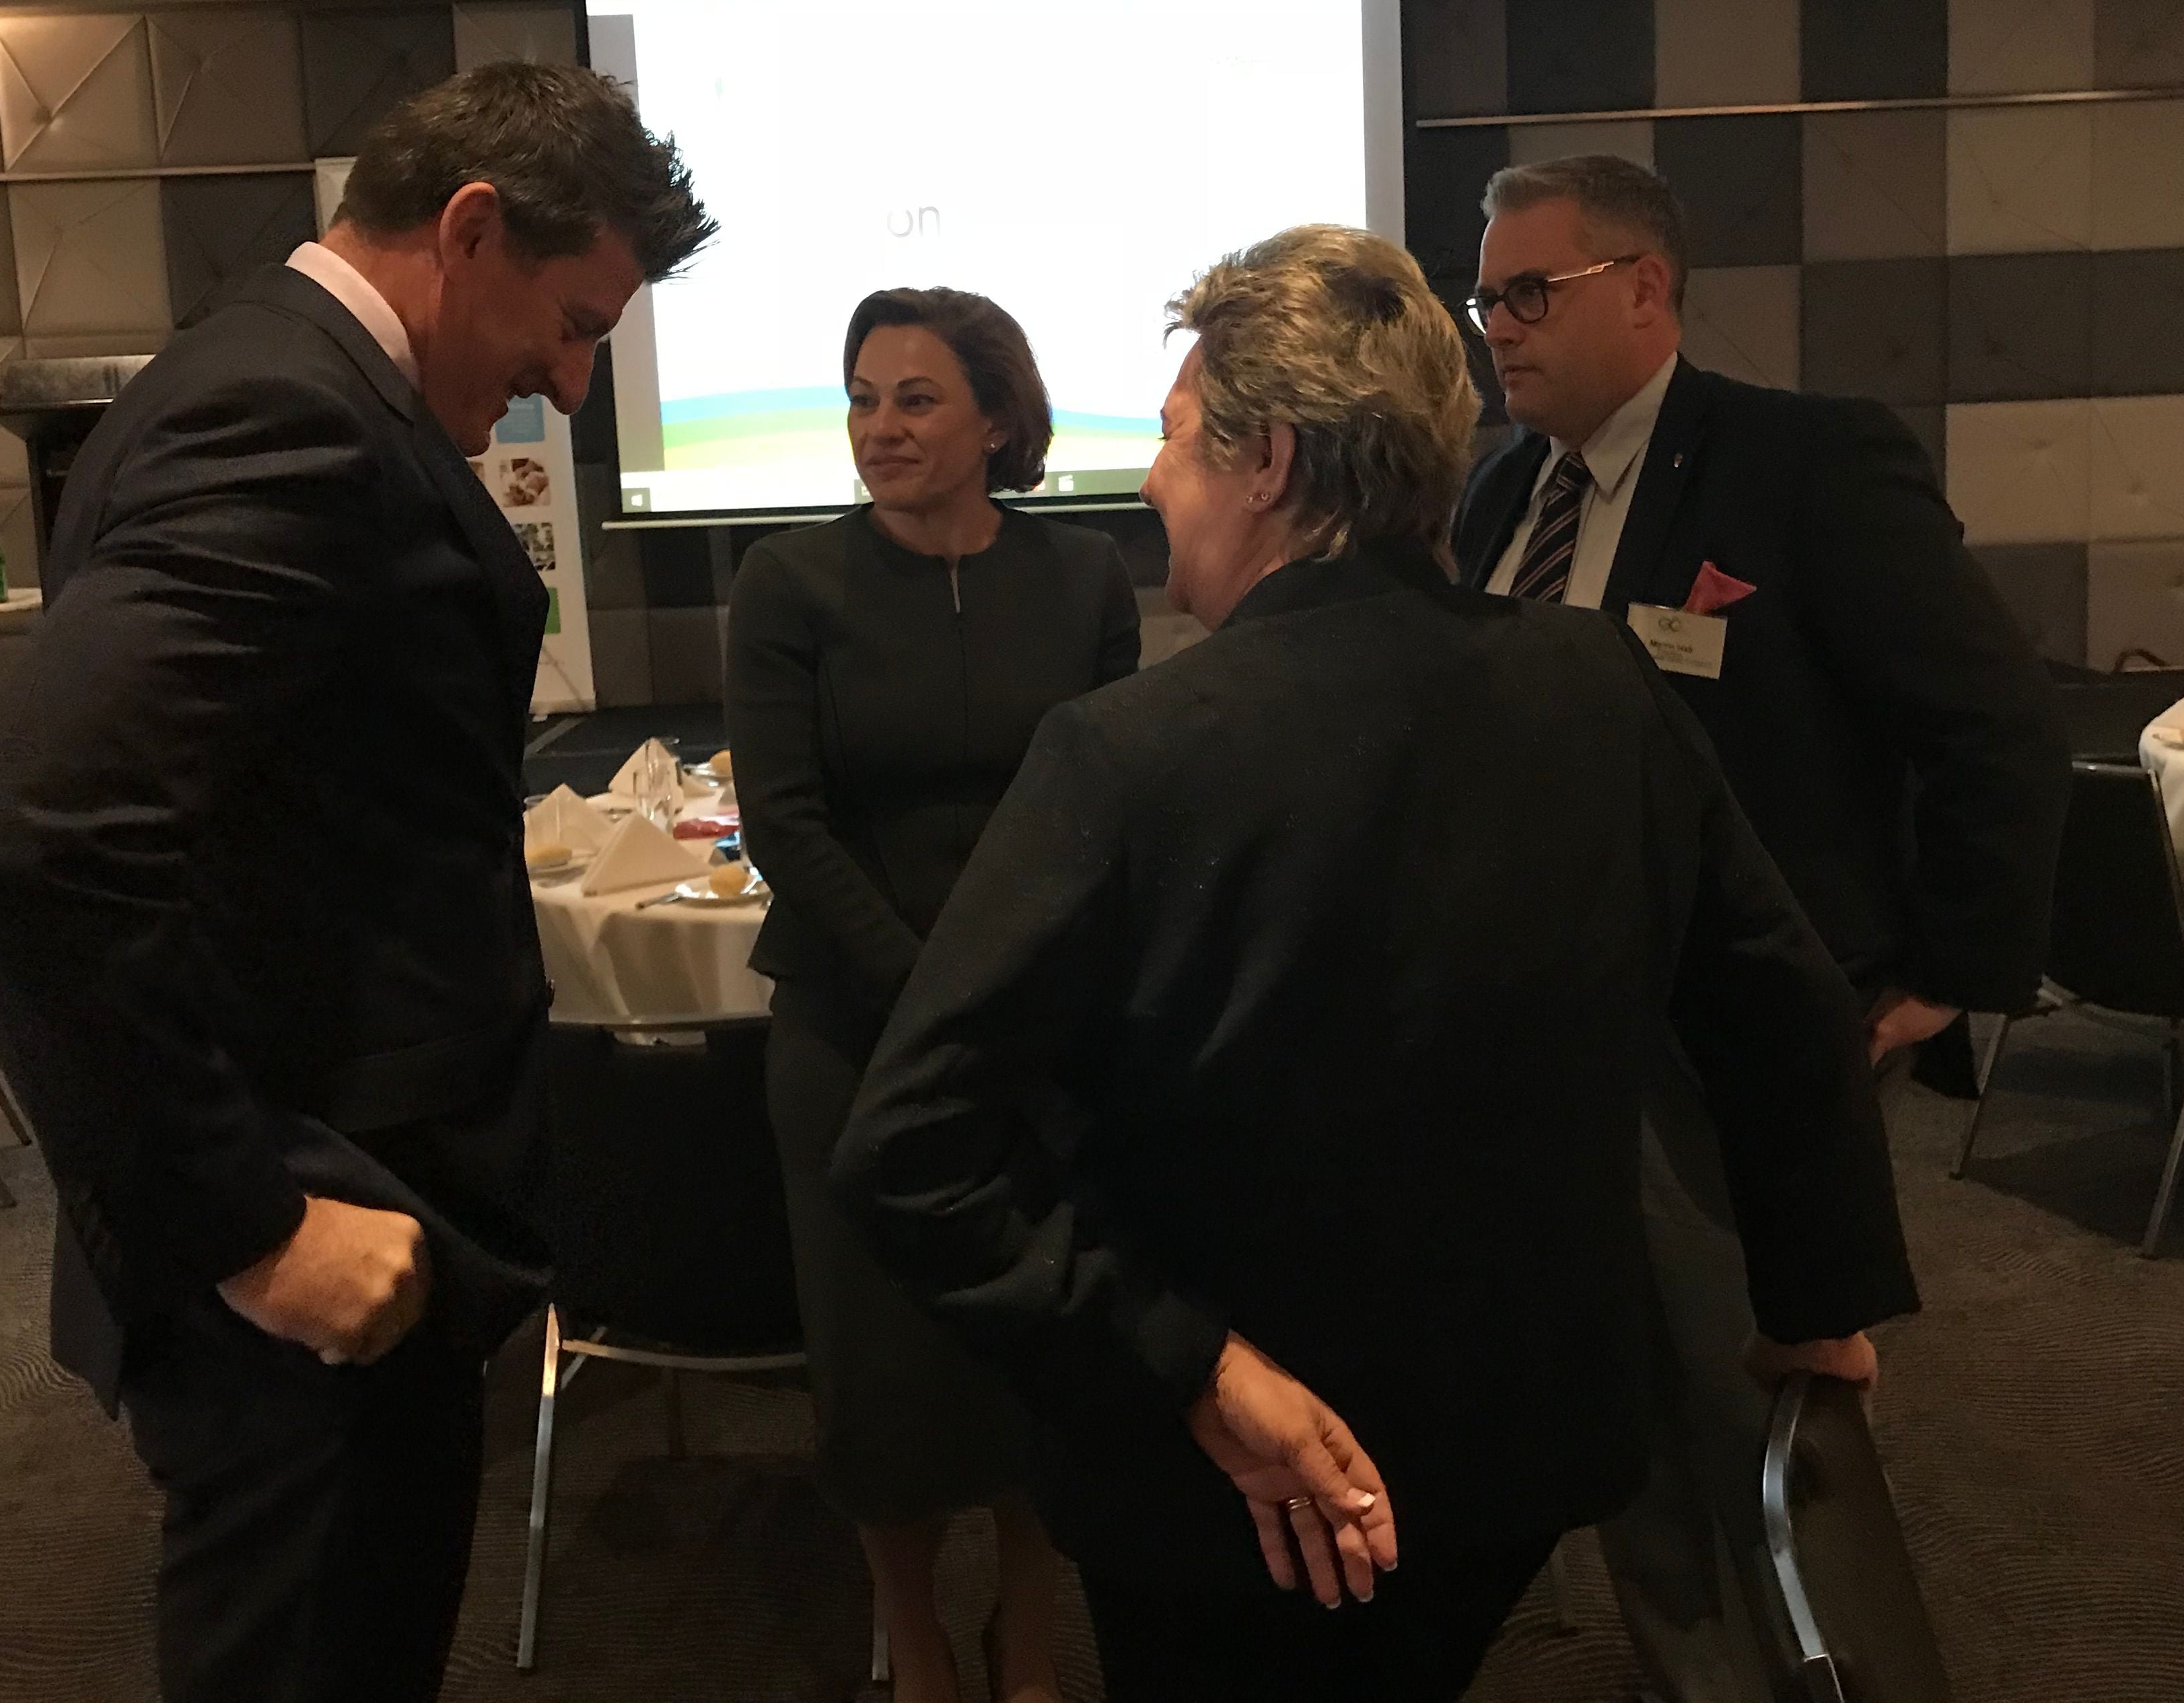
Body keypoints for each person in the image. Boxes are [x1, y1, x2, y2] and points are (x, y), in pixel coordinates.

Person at [829, 225, 1917, 1703]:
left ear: (1268, 462)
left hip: (1218, 1485)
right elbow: (1781, 1015)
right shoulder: (1601, 687)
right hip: (1517, 1444)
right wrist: (1816, 1308)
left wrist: (1190, 1365)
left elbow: (909, 1152)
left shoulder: (1127, 753)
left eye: (1174, 440)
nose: (1150, 481)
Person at [0, 61, 713, 1703]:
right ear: (471, 229)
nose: (574, 385)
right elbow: (30, 847)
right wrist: (255, 1230)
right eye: (575, 325)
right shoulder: (288, 414)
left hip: (354, 1208)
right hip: (307, 1248)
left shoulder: (279, 380)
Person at [1449, 154, 2066, 1701]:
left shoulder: (1801, 465)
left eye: (1531, 294)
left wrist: (1948, 974)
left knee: (1758, 1403)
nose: (1498, 329)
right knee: (1621, 1398)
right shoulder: (1501, 496)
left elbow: (1995, 723)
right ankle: (1694, 1676)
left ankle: (1834, 1676)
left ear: (1645, 289)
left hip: (1750, 1025)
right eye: (1486, 299)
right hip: (1562, 1025)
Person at [728, 287, 1140, 1703]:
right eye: (862, 398)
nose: (879, 427)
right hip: (854, 1033)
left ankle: (1028, 1628)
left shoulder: (1083, 577)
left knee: (1038, 1352)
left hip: (1041, 1037)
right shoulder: (790, 583)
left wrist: (1016, 1005)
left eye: (915, 398)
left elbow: (1106, 806)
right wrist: (935, 1000)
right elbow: (785, 826)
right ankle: (912, 1637)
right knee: (880, 1375)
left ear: (1000, 421)